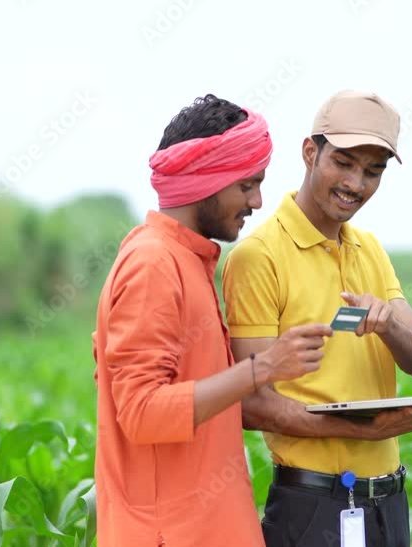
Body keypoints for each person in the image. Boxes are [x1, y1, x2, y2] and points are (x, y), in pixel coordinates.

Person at [222, 90, 412, 546]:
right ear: (309, 152)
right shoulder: (258, 256)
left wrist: (388, 326)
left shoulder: (370, 249)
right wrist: (367, 429)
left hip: (388, 504)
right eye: (343, 163)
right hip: (314, 508)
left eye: (373, 171)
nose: (356, 184)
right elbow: (253, 404)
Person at [92, 94, 333, 546]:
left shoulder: (184, 259)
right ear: (204, 181)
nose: (258, 201)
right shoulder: (153, 265)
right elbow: (142, 413)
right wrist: (264, 367)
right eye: (246, 185)